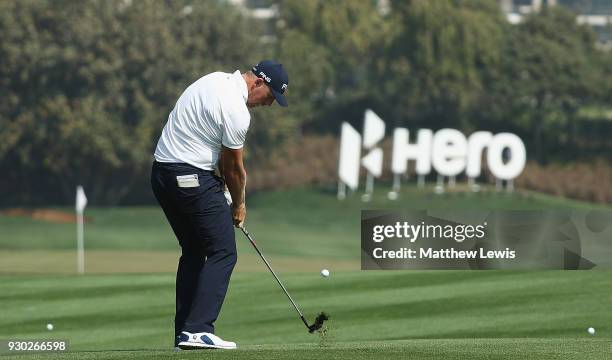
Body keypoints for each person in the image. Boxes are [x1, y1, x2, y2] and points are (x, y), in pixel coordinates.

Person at [150, 60, 288, 350]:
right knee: (223, 251)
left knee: (194, 251)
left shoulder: (214, 80)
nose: (269, 105)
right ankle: (199, 330)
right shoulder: (237, 111)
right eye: (271, 97)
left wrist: (217, 184)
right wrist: (238, 205)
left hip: (162, 175)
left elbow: (212, 153)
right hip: (189, 176)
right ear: (258, 83)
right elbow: (235, 170)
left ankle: (184, 334)